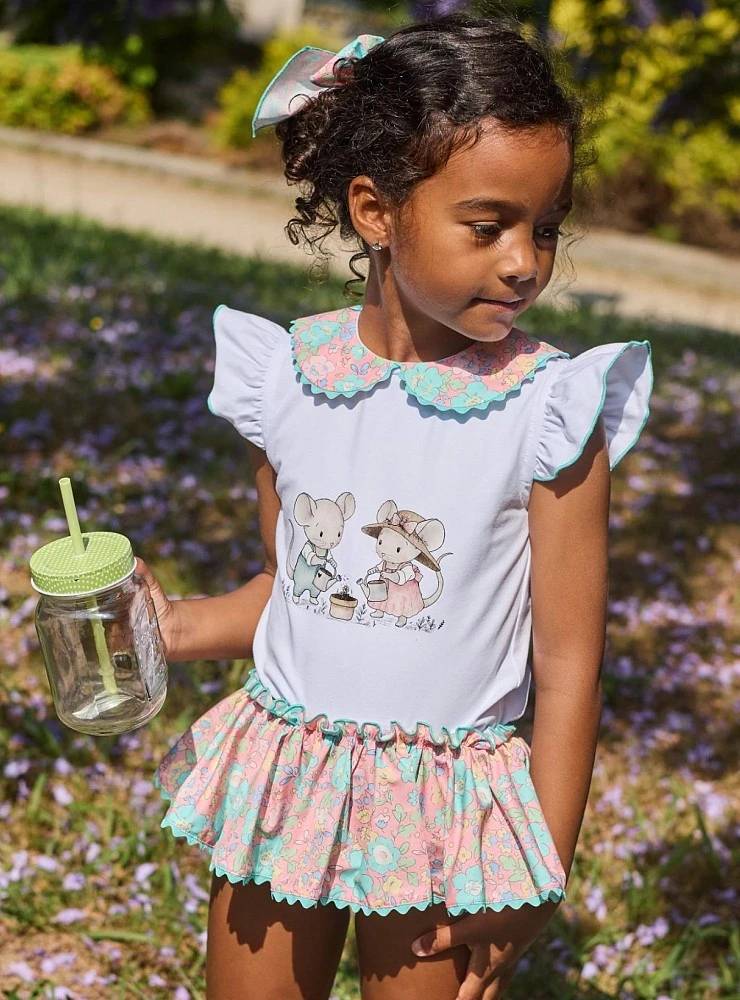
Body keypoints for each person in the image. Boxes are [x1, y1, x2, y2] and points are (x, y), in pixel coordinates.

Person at [136, 14, 653, 1000]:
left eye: (542, 227)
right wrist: (178, 625)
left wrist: (534, 867)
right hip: (288, 774)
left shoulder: (546, 410)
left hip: (442, 805)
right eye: (486, 224)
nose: (522, 261)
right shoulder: (288, 376)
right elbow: (299, 590)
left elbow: (566, 660)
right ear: (373, 210)